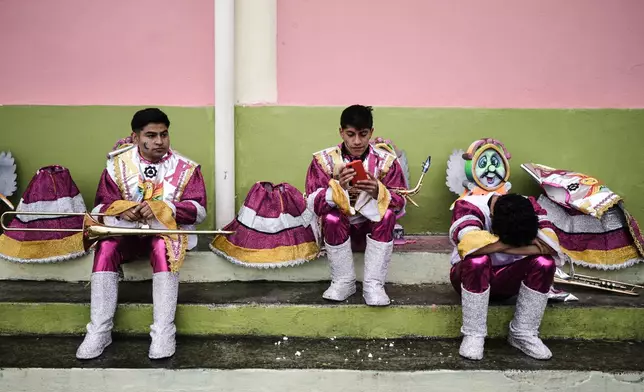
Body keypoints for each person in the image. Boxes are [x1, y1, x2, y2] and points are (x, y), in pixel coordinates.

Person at [76, 108, 207, 360]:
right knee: (106, 248)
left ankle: (163, 333)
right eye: (151, 135)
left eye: (164, 134)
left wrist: (164, 207)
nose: (159, 141)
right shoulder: (117, 165)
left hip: (163, 237)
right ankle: (99, 332)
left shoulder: (187, 168)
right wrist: (122, 209)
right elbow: (101, 206)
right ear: (135, 137)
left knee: (161, 248)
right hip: (126, 235)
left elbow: (198, 211)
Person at [305, 105, 407, 306]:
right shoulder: (324, 161)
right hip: (338, 232)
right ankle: (343, 281)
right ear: (341, 132)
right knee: (331, 217)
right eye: (350, 134)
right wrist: (337, 189)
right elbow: (312, 203)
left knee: (386, 216)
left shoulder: (386, 161)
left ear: (372, 132)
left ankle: (374, 284)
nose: (357, 141)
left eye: (363, 134)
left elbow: (401, 199)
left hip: (372, 231)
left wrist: (378, 191)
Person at [449, 192, 564, 361]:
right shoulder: (469, 206)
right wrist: (520, 244)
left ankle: (522, 333)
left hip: (509, 279)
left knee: (545, 263)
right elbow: (470, 247)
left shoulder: (527, 206)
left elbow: (552, 246)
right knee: (477, 261)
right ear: (493, 218)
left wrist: (497, 245)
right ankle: (474, 334)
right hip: (467, 278)